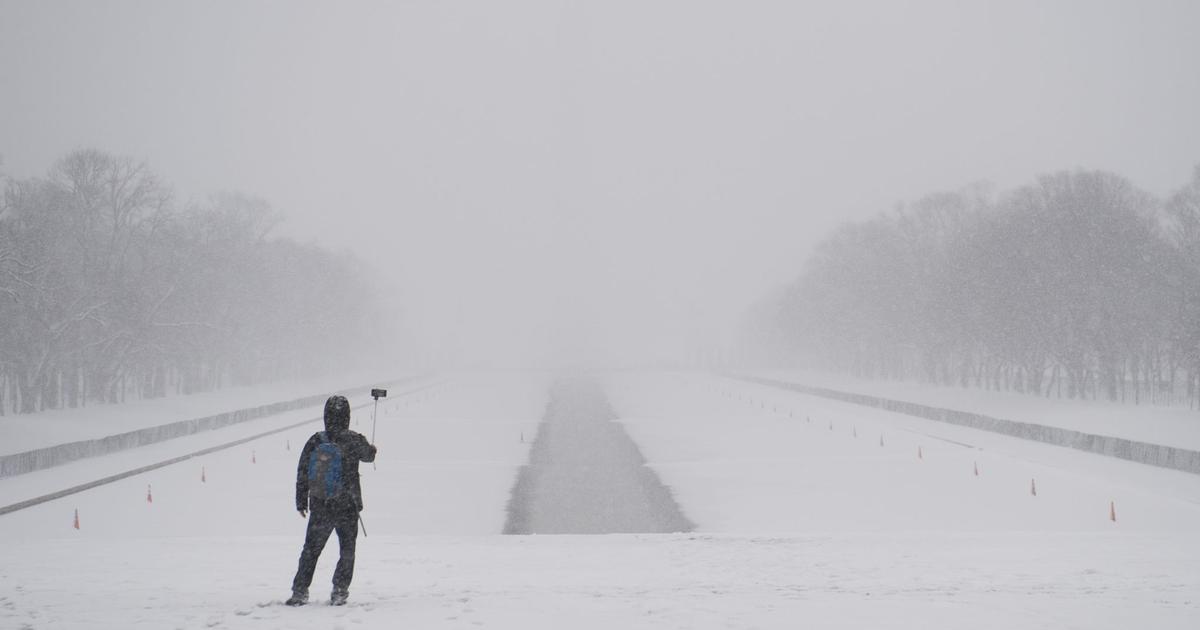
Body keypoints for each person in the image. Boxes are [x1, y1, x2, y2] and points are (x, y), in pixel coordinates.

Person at [286, 395, 377, 606]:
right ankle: (339, 590)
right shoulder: (354, 439)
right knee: (347, 549)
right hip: (347, 505)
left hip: (321, 504)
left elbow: (302, 471)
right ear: (347, 416)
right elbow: (369, 456)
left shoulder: (316, 440)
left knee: (311, 549)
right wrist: (372, 448)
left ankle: (300, 591)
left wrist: (301, 501)